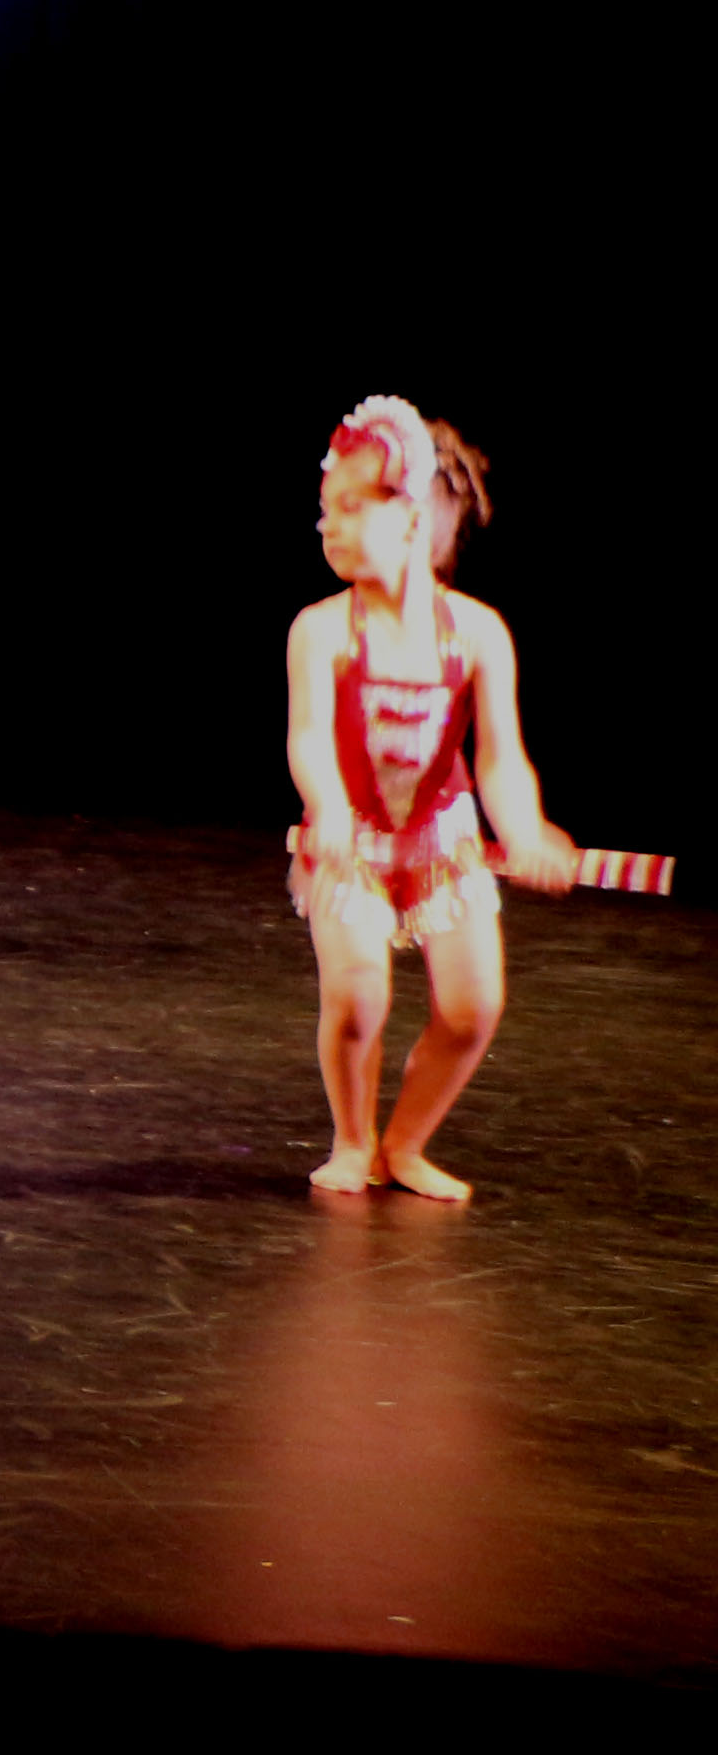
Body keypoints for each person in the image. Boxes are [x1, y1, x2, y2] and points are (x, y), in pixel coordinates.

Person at [286, 397, 577, 1202]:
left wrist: (525, 829)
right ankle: (353, 1141)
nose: (329, 525)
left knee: (475, 1007)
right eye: (326, 508)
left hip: (443, 839)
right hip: (351, 840)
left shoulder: (479, 634)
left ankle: (404, 1145)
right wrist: (328, 807)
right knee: (358, 997)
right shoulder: (320, 630)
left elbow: (500, 761)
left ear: (413, 520)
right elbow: (308, 739)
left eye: (353, 506)